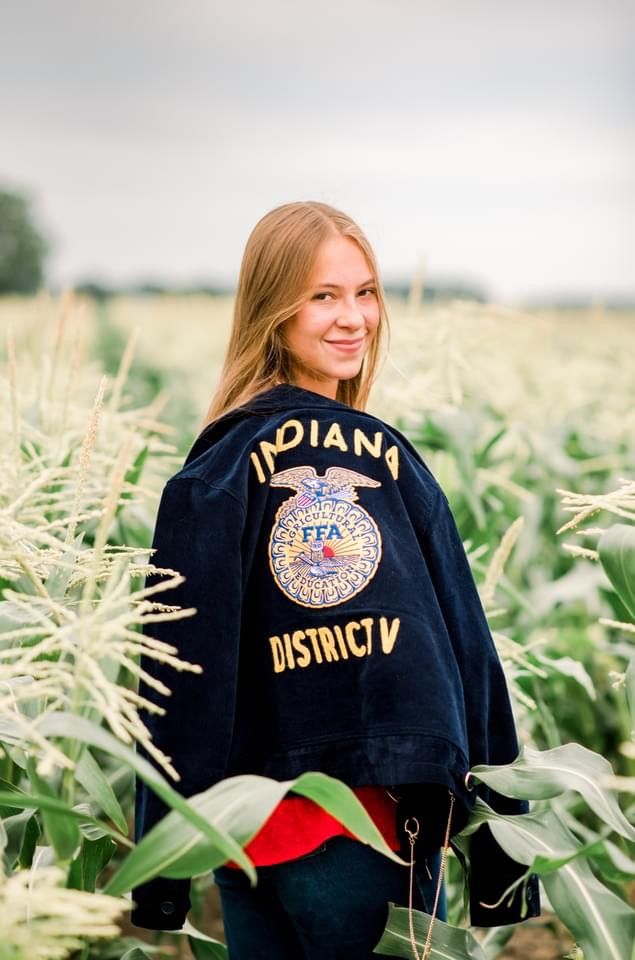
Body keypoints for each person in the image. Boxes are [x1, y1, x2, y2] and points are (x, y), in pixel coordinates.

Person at [131, 201, 540, 957]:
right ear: (272, 308)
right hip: (369, 838)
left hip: (243, 838)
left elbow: (175, 680)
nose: (354, 317)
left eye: (364, 291)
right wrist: (500, 863)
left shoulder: (213, 467)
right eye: (323, 295)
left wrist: (160, 868)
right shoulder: (383, 462)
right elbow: (464, 657)